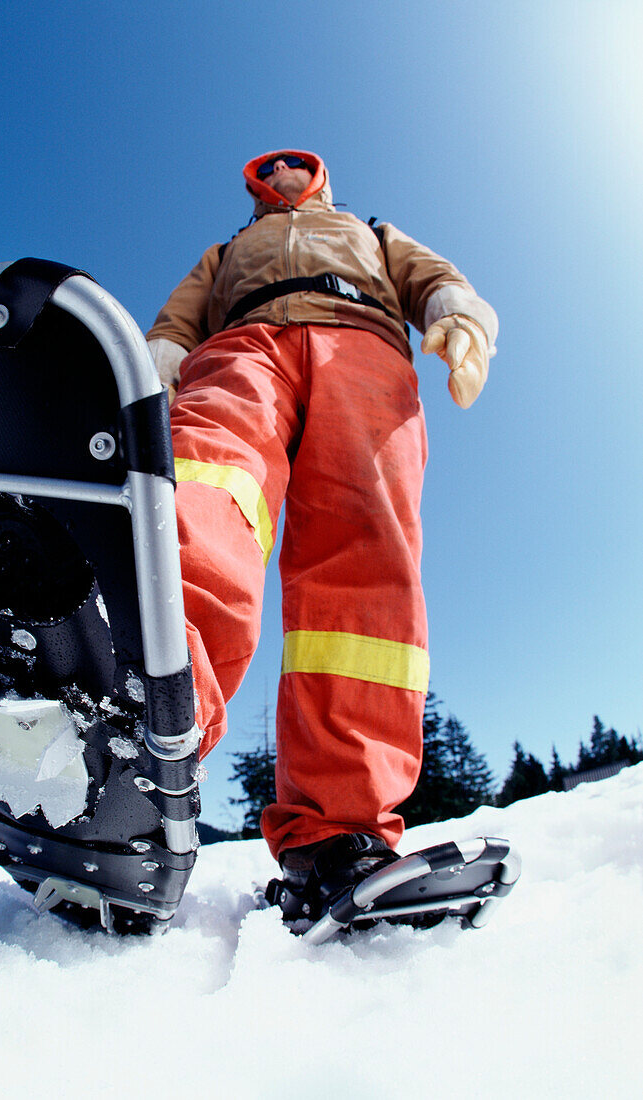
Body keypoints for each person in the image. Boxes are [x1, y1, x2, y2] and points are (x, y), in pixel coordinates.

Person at [146, 149, 497, 913]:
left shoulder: (370, 234)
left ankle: (338, 833)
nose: (278, 179)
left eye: (291, 168)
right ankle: (142, 713)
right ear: (251, 190)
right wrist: (154, 369)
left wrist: (456, 314)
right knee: (204, 483)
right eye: (264, 174)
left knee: (364, 568)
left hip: (363, 350)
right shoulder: (226, 252)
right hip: (244, 348)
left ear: (318, 179)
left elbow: (431, 276)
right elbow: (174, 326)